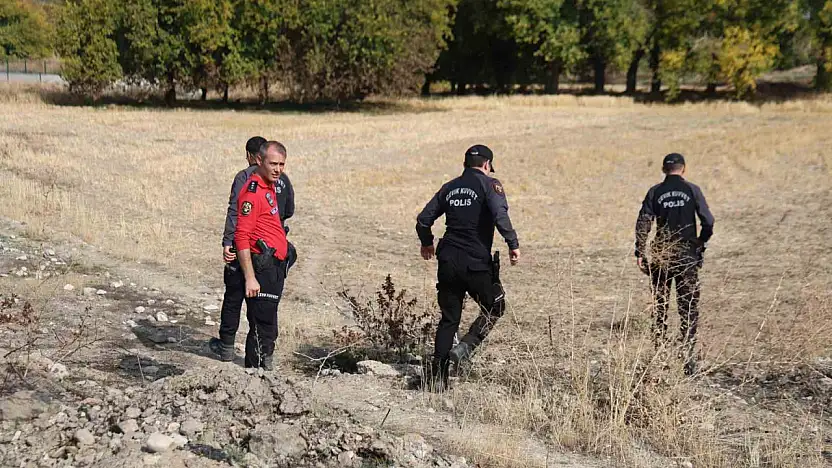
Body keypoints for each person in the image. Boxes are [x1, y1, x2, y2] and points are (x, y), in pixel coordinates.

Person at [415, 144, 521, 392]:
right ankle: (465, 348)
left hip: (448, 260)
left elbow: (423, 220)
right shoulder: (490, 185)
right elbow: (499, 215)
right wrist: (512, 243)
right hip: (476, 263)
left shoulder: (449, 187)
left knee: (449, 319)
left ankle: (436, 381)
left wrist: (427, 243)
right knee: (495, 305)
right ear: (487, 165)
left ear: (465, 164)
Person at [210, 137, 295, 364]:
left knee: (266, 322)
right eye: (273, 164)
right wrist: (249, 277)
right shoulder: (253, 190)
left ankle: (260, 368)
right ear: (259, 160)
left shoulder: (272, 186)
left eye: (281, 165)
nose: (278, 170)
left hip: (273, 265)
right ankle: (254, 375)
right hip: (260, 265)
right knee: (259, 321)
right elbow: (242, 234)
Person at [634, 153, 714, 376]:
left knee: (660, 307)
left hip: (662, 257)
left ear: (663, 169)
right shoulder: (692, 190)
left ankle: (659, 355)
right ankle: (687, 358)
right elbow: (708, 221)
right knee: (688, 307)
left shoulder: (655, 192)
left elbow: (643, 222)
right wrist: (701, 241)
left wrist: (640, 251)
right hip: (687, 256)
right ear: (684, 169)